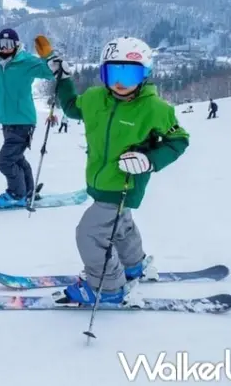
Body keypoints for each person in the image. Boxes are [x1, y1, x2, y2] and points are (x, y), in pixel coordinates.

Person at [35, 35, 189, 305]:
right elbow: (71, 108)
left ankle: (107, 287)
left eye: (129, 74)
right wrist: (63, 79)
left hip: (125, 184)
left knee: (90, 233)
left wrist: (149, 159)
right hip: (101, 180)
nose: (120, 82)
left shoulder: (155, 109)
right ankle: (133, 265)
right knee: (121, 225)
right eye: (113, 73)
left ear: (145, 74)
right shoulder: (95, 98)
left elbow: (179, 140)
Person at [0, 28, 54, 207]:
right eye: (1, 44)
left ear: (16, 45)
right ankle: (28, 191)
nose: (4, 48)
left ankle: (16, 193)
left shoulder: (25, 61)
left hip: (23, 120)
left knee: (5, 161)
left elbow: (50, 72)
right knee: (16, 158)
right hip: (7, 121)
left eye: (9, 44)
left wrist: (48, 56)